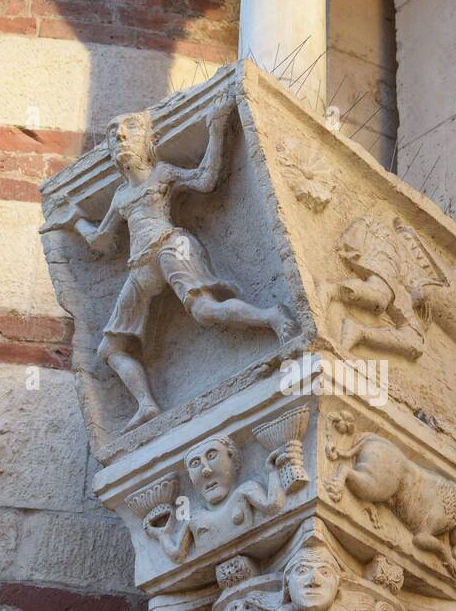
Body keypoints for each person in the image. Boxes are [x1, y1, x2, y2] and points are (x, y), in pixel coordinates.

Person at [57, 94, 294, 431]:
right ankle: (147, 405)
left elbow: (204, 180)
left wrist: (215, 129)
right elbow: (100, 240)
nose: (120, 140)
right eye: (114, 137)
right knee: (109, 349)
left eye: (127, 133)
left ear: (146, 142)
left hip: (172, 246)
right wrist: (75, 219)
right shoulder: (121, 196)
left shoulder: (162, 173)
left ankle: (273, 317)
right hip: (140, 267)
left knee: (204, 311)